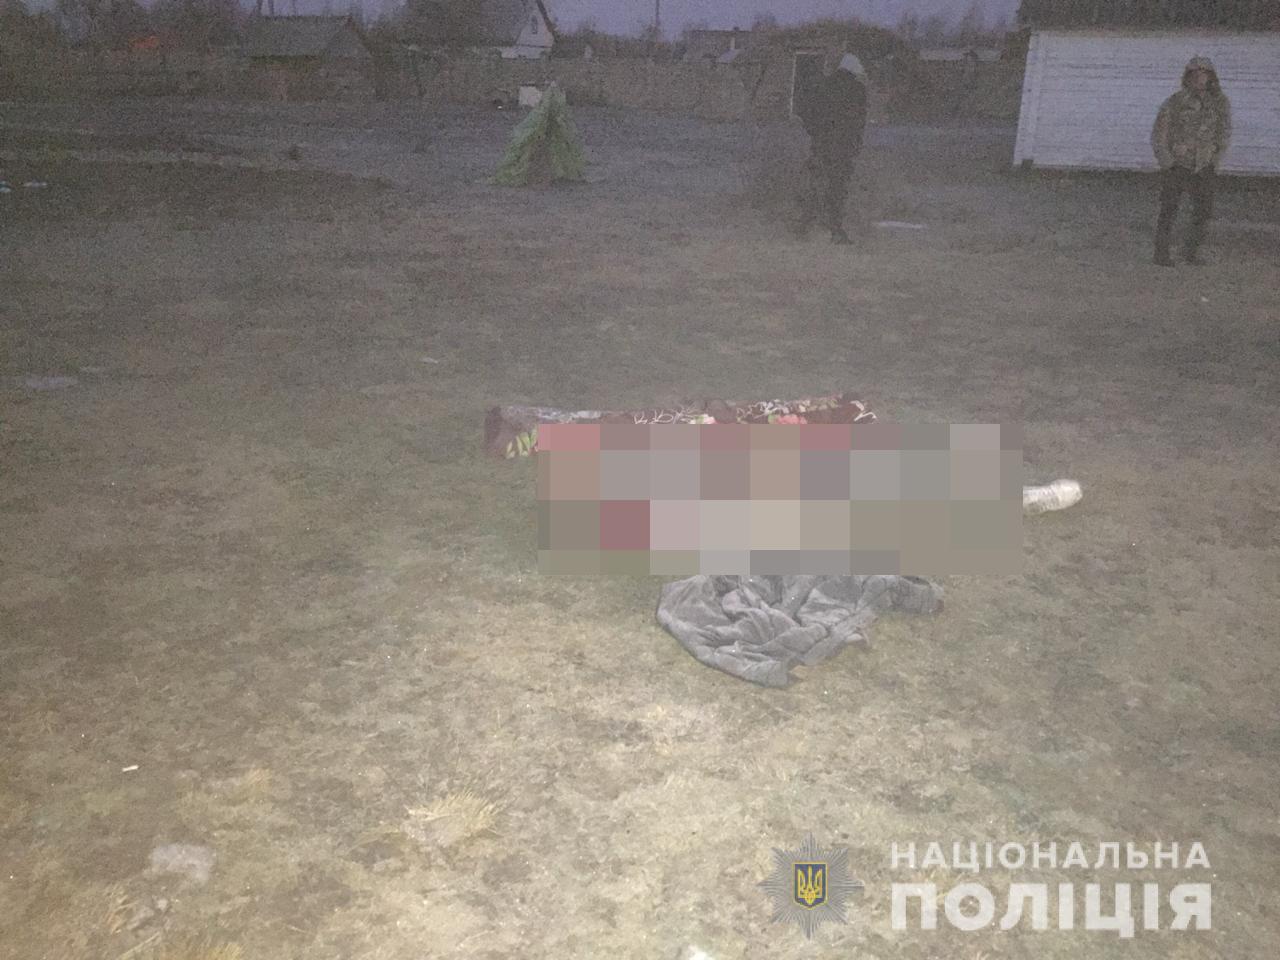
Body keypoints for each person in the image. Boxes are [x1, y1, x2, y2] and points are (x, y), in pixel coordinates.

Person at [1150, 56, 1232, 266]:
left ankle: (1191, 252)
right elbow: (1159, 135)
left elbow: (1223, 133)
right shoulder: (1175, 102)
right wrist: (1168, 162)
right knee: (1169, 210)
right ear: (1187, 77)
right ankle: (1161, 254)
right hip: (1178, 165)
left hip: (1204, 165)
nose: (1199, 78)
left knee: (1203, 211)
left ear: (1211, 77)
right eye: (1194, 74)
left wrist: (1214, 159)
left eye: (1203, 74)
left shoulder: (1219, 103)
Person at [794, 52, 869, 245]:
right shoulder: (857, 90)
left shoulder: (823, 85)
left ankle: (805, 226)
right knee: (837, 188)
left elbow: (807, 113)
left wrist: (816, 133)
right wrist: (855, 144)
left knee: (816, 184)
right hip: (843, 147)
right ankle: (835, 229)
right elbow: (858, 122)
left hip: (821, 145)